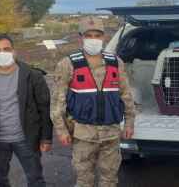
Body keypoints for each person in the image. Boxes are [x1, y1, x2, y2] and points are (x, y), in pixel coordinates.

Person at [51, 17, 135, 187]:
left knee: (109, 178)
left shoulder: (115, 62)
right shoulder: (68, 64)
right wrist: (61, 130)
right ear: (80, 37)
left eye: (97, 35)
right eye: (88, 35)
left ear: (104, 37)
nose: (93, 39)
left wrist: (129, 124)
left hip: (111, 132)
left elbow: (126, 95)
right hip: (83, 134)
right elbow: (57, 101)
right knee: (84, 180)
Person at [0, 34, 53, 187]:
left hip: (27, 139)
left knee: (35, 180)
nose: (2, 53)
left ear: (14, 51)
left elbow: (44, 108)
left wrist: (46, 137)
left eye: (6, 49)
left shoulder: (32, 75)